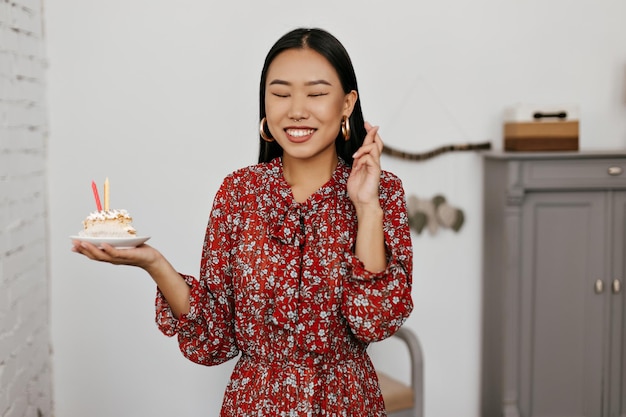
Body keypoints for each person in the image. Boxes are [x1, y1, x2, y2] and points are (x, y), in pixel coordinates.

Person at [73, 27, 413, 416]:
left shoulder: (382, 191)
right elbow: (214, 337)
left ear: (347, 103)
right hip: (255, 404)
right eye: (281, 94)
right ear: (265, 103)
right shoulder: (239, 193)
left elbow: (375, 322)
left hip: (346, 403)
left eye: (316, 93)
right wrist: (153, 262)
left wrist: (366, 207)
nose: (296, 109)